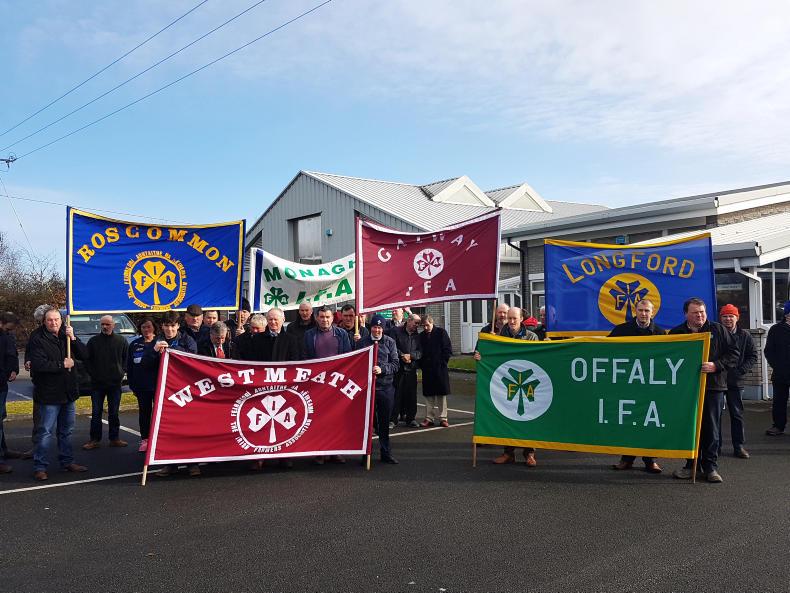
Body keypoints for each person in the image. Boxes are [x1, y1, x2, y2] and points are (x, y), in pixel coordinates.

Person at [670, 298, 739, 483]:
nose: (700, 316)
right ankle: (691, 465)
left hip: (713, 387)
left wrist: (716, 365)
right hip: (686, 389)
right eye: (695, 313)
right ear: (686, 314)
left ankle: (710, 467)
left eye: (702, 312)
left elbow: (734, 353)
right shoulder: (677, 333)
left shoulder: (718, 330)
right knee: (689, 428)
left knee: (711, 428)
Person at [28, 309, 89, 481]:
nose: (53, 323)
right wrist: (62, 365)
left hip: (68, 392)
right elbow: (39, 364)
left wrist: (73, 338)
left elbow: (85, 355)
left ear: (61, 320)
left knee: (66, 431)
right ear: (44, 321)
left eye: (56, 319)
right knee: (45, 432)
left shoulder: (66, 334)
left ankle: (67, 461)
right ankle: (40, 466)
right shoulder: (37, 338)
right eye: (50, 320)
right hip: (49, 394)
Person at [607, 299, 665, 473]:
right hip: (627, 385)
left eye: (647, 311)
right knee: (628, 422)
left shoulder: (660, 333)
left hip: (650, 386)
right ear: (635, 311)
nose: (643, 314)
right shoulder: (621, 331)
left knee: (649, 423)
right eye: (640, 310)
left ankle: (650, 460)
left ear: (652, 312)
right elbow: (604, 350)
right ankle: (626, 459)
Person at [480, 307, 539, 467]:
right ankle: (508, 453)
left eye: (514, 318)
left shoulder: (531, 337)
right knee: (507, 418)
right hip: (508, 383)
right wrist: (482, 354)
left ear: (521, 319)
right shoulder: (500, 336)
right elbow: (491, 357)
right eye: (510, 318)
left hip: (527, 381)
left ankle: (529, 453)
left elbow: (538, 359)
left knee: (528, 418)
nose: (511, 321)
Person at [152, 312, 199, 477]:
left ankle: (192, 463)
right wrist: (154, 351)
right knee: (167, 428)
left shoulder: (187, 340)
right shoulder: (156, 340)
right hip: (164, 390)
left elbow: (193, 360)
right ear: (162, 326)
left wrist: (171, 350)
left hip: (184, 390)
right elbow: (144, 364)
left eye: (172, 325)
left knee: (188, 427)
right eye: (166, 325)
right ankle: (170, 464)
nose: (169, 329)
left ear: (178, 326)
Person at [304, 306, 352, 465]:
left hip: (336, 384)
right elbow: (305, 358)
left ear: (332, 318)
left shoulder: (342, 334)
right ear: (317, 318)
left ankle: (336, 451)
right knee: (318, 420)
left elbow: (349, 358)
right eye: (322, 317)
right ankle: (319, 452)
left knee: (337, 418)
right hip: (316, 384)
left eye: (327, 317)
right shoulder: (309, 335)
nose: (325, 320)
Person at [83, 315, 130, 451]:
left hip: (115, 384)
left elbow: (126, 359)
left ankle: (114, 438)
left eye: (107, 324)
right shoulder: (93, 341)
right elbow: (87, 360)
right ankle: (94, 440)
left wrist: (122, 372)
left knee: (114, 413)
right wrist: (93, 374)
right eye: (102, 324)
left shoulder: (121, 341)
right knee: (96, 412)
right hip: (97, 384)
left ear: (113, 325)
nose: (104, 327)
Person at [358, 315, 400, 464]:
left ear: (383, 329)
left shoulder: (390, 342)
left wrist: (382, 369)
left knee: (384, 422)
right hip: (367, 388)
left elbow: (396, 364)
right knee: (367, 423)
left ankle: (386, 453)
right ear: (371, 328)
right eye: (375, 327)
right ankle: (366, 454)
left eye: (379, 328)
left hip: (385, 387)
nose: (377, 330)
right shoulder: (362, 343)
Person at [717, 304, 757, 458]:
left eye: (731, 316)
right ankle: (716, 447)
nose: (728, 319)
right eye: (725, 316)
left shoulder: (745, 336)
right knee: (716, 415)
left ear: (737, 318)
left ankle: (739, 446)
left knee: (737, 414)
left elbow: (752, 356)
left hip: (736, 381)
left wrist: (741, 371)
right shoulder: (715, 333)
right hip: (717, 380)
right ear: (720, 318)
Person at [126, 317, 159, 452]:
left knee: (159, 414)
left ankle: (159, 439)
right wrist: (132, 384)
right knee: (144, 414)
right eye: (143, 327)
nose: (146, 330)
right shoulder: (134, 344)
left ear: (154, 328)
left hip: (158, 386)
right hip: (142, 386)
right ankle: (145, 439)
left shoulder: (160, 342)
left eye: (149, 327)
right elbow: (129, 366)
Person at [419, 316, 452, 428]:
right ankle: (429, 418)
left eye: (427, 325)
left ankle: (443, 418)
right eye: (423, 326)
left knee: (441, 394)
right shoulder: (422, 336)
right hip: (427, 369)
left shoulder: (441, 333)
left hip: (440, 369)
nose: (425, 328)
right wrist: (422, 365)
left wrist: (442, 362)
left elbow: (447, 349)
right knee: (429, 395)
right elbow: (420, 351)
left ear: (432, 323)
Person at [764, 300, 790, 437]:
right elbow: (768, 351)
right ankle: (778, 426)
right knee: (779, 401)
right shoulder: (776, 330)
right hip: (781, 373)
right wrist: (778, 366)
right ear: (786, 314)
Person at [391, 313, 422, 428]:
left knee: (411, 395)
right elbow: (393, 347)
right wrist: (402, 355)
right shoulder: (397, 332)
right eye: (416, 323)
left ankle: (411, 419)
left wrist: (411, 356)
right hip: (398, 369)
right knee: (396, 394)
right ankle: (393, 419)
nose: (417, 325)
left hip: (411, 369)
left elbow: (420, 351)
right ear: (409, 320)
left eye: (418, 324)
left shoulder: (418, 336)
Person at [0, 312, 20, 473]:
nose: (10, 331)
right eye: (8, 328)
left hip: (2, 384)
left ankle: (3, 450)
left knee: (1, 418)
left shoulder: (6, 336)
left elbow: (11, 355)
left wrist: (13, 370)